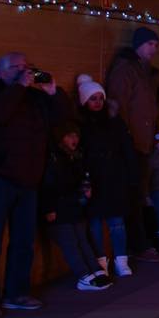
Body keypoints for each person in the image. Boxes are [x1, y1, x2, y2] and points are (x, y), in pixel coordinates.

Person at [0, 52, 68, 318]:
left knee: (24, 241)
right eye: (17, 68)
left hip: (29, 179)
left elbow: (60, 119)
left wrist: (52, 92)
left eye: (27, 67)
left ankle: (17, 292)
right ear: (2, 71)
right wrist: (19, 87)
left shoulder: (34, 96)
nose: (24, 72)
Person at [106, 26, 159, 263]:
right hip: (130, 144)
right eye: (151, 44)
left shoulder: (145, 72)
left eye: (157, 45)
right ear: (139, 45)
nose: (155, 49)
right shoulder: (126, 71)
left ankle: (142, 242)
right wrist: (126, 138)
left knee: (140, 193)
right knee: (134, 195)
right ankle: (137, 245)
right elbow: (118, 106)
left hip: (144, 142)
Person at [41, 122, 113, 292]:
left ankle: (94, 270)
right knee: (70, 243)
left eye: (75, 136)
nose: (74, 139)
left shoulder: (75, 157)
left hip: (74, 205)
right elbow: (48, 186)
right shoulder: (54, 159)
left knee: (82, 239)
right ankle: (83, 274)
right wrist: (48, 209)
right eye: (69, 136)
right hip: (60, 207)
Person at [77, 76, 137, 276]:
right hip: (93, 175)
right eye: (92, 99)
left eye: (99, 98)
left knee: (116, 221)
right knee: (94, 221)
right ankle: (101, 261)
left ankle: (121, 260)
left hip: (113, 173)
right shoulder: (81, 124)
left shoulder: (114, 121)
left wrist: (130, 173)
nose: (97, 103)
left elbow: (126, 148)